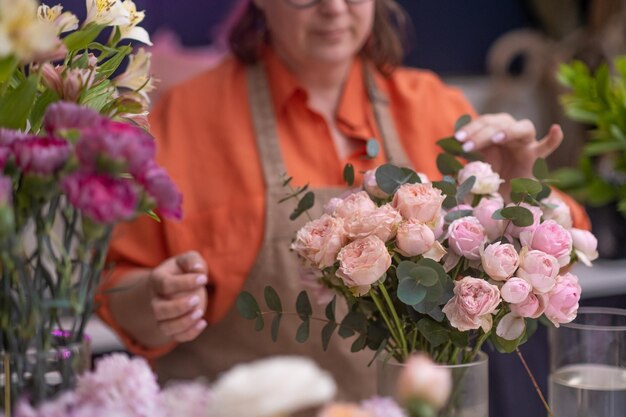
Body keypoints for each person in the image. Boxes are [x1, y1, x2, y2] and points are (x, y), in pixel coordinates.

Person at [97, 0, 589, 401]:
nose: (334, 8)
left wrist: (517, 187)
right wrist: (152, 301)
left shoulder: (434, 108)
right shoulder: (186, 118)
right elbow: (113, 286)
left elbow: (564, 250)